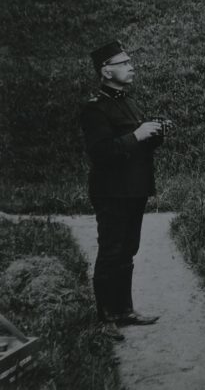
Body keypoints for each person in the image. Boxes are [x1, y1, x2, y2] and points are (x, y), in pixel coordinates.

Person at [80, 41, 167, 340]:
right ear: (106, 71)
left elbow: (137, 142)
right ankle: (106, 317)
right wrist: (138, 134)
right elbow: (102, 152)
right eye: (124, 62)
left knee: (128, 250)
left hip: (134, 188)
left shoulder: (128, 101)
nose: (131, 67)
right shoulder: (94, 109)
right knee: (111, 251)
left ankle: (124, 310)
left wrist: (154, 133)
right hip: (111, 191)